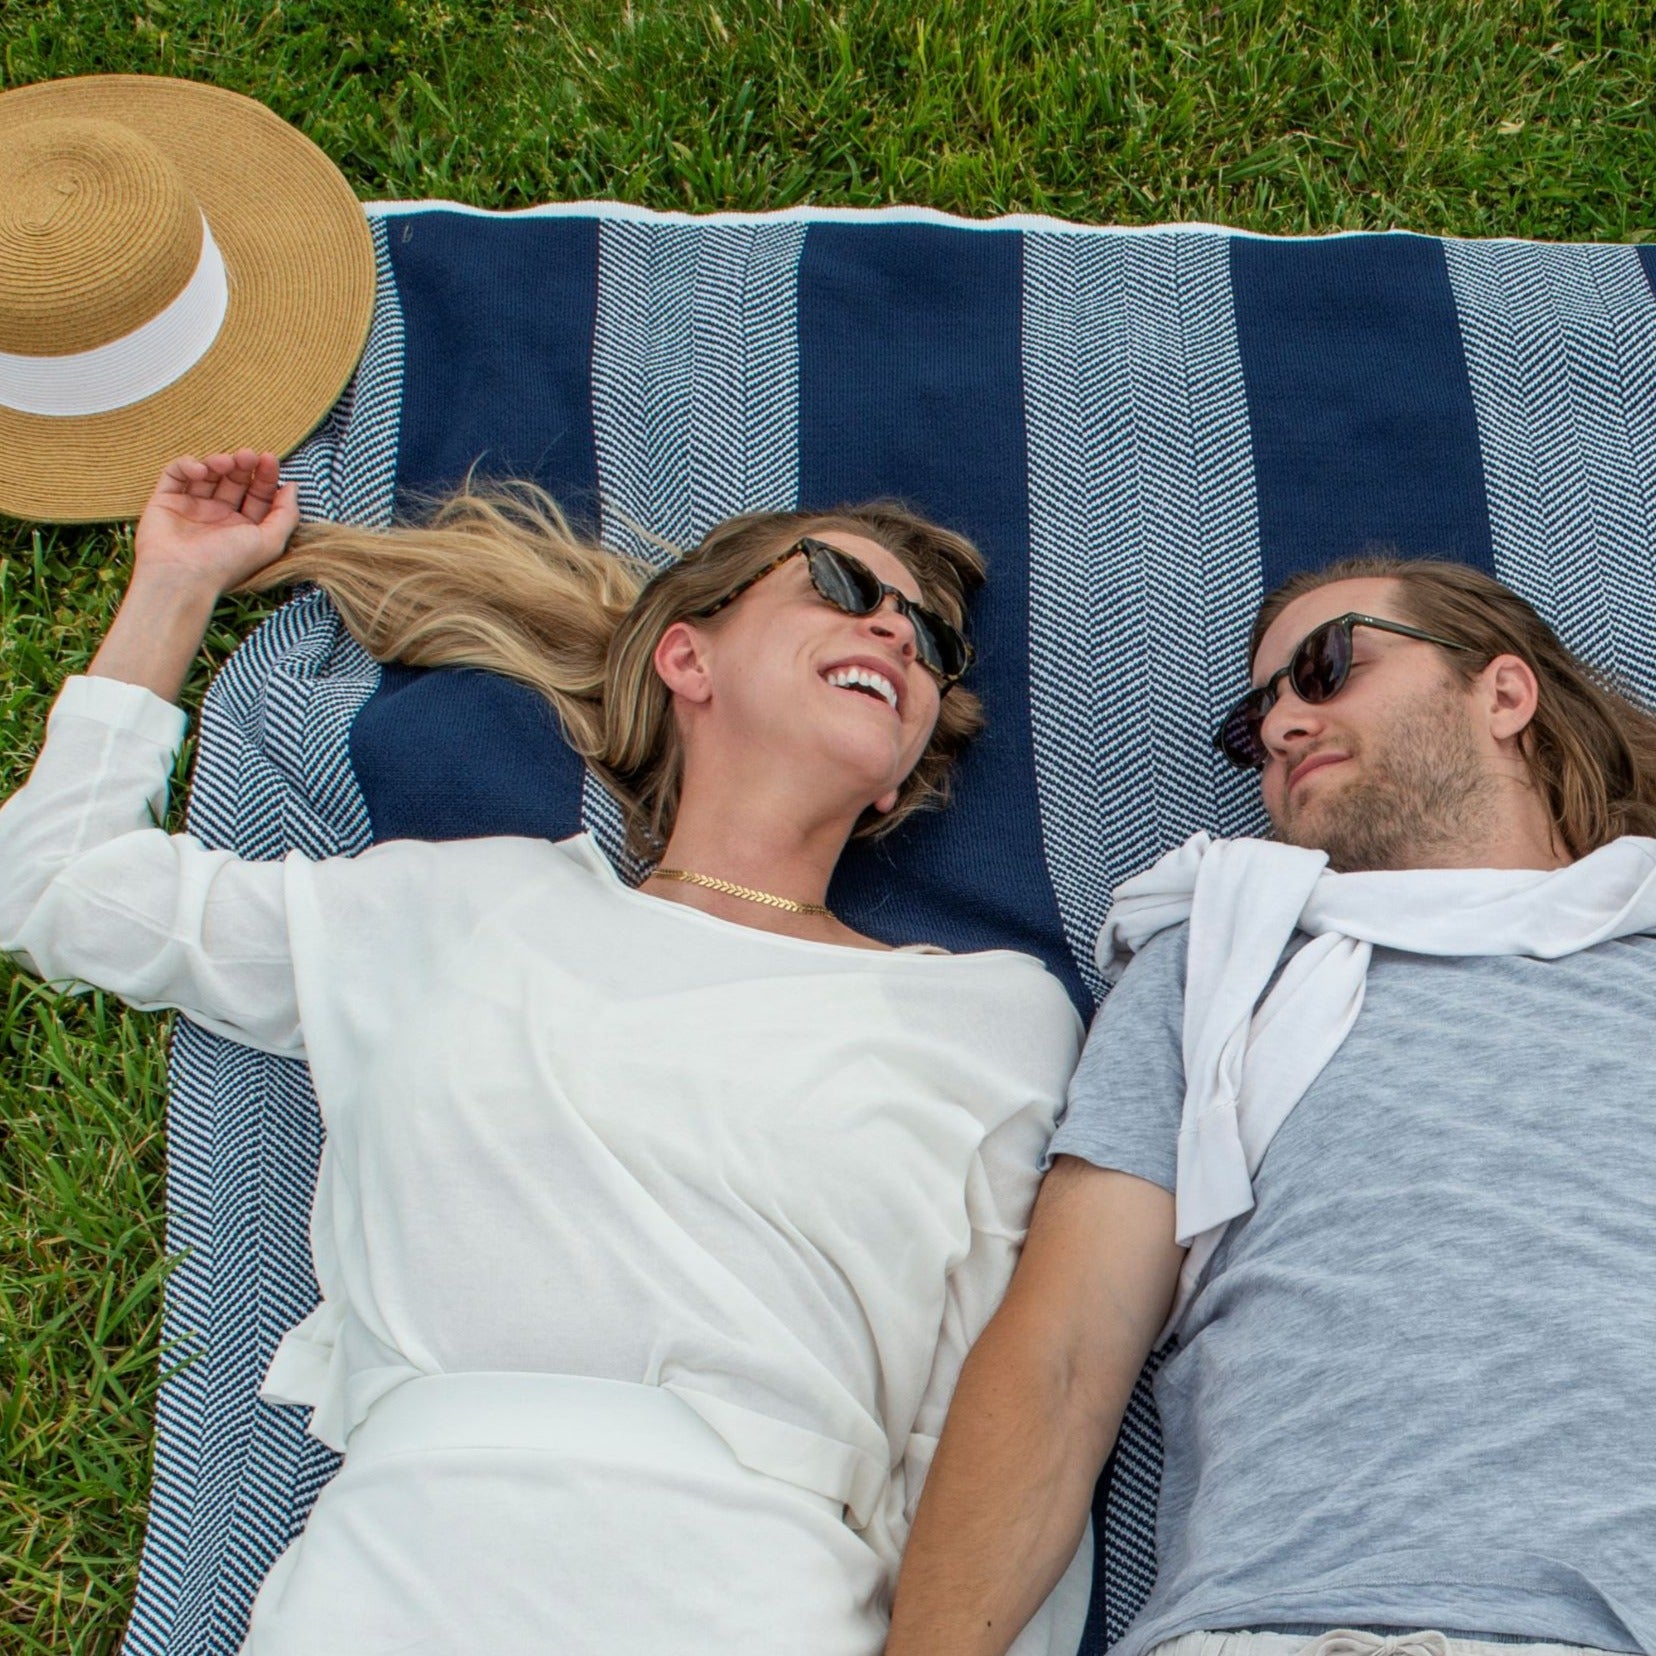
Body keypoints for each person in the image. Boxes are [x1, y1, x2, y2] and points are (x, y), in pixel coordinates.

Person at [0, 450, 1092, 1655]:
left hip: (760, 1579)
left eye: (931, 645)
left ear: (898, 783)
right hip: (407, 1560)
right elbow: (62, 890)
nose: (896, 632)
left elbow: (993, 1415)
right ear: (688, 656)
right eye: (842, 585)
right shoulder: (456, 907)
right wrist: (176, 585)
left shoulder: (994, 1016)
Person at [886, 556, 1656, 1656]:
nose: (1287, 721)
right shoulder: (1219, 965)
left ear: (1504, 693)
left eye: (1327, 667)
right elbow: (1061, 1356)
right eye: (1256, 722)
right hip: (1278, 1625)